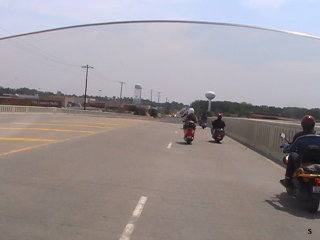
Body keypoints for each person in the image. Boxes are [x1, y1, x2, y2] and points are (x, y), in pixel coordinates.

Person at [280, 115, 317, 188]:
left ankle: (288, 179)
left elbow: (291, 148)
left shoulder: (300, 137)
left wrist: (285, 147)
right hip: (317, 163)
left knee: (292, 155)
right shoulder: (317, 136)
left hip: (302, 161)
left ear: (302, 125)